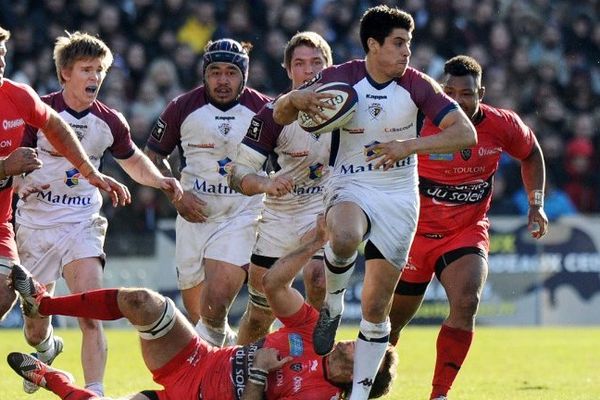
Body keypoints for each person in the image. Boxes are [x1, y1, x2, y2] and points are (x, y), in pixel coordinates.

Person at [272, 6, 476, 400]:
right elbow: (279, 113)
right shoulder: (338, 79)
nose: (406, 53)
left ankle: (361, 396)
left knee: (376, 308)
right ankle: (331, 305)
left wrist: (408, 146)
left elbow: (464, 133)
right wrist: (296, 98)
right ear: (373, 45)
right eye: (398, 44)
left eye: (409, 44)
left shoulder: (417, 85)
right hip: (350, 181)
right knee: (345, 234)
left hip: (399, 193)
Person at [7, 214, 398, 399]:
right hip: (196, 357)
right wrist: (315, 241)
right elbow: (273, 283)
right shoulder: (317, 336)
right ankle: (44, 302)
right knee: (141, 301)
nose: (354, 343)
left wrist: (260, 375)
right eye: (365, 342)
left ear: (359, 376)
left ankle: (50, 378)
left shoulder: (320, 397)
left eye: (365, 352)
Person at [13, 31, 183, 396]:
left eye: (100, 71)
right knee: (34, 325)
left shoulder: (110, 121)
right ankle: (47, 348)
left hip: (81, 222)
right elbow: (11, 162)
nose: (95, 78)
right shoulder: (38, 112)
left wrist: (161, 181)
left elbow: (133, 160)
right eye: (86, 70)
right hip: (36, 224)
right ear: (65, 75)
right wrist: (18, 185)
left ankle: (95, 392)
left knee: (90, 310)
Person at [389, 55, 548, 400]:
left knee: (466, 302)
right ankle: (366, 384)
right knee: (389, 324)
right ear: (437, 91)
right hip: (412, 234)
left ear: (481, 94)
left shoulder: (501, 124)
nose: (457, 100)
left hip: (465, 231)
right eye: (449, 92)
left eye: (466, 94)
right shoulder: (415, 120)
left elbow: (531, 152)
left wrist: (535, 203)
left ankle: (440, 394)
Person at [0, 25, 128, 343]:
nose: (1, 63)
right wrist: (5, 168)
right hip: (32, 221)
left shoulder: (18, 96)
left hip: (3, 224)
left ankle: (57, 357)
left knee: (4, 299)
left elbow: (55, 124)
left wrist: (88, 171)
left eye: (2, 55)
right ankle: (45, 346)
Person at [144, 38, 271, 347]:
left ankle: (215, 384)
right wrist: (176, 195)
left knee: (214, 305)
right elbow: (154, 155)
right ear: (204, 73)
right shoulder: (182, 106)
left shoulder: (264, 110)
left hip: (242, 214)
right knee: (201, 318)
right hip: (194, 215)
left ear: (244, 75)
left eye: (231, 72)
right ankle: (228, 359)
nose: (223, 80)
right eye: (215, 72)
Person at [229, 31, 333, 345]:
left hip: (324, 207)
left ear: (329, 66)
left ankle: (314, 367)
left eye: (317, 62)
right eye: (300, 64)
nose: (309, 70)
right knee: (260, 316)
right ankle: (238, 371)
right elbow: (238, 174)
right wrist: (266, 183)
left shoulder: (348, 111)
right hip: (280, 216)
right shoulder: (272, 116)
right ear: (288, 70)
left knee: (318, 278)